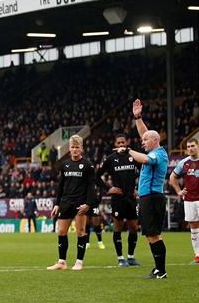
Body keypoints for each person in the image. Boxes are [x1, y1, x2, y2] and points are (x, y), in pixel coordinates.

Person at [114, 99, 168, 279]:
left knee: (154, 234)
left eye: (145, 140)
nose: (142, 141)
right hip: (147, 197)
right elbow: (146, 134)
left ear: (154, 141)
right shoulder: (154, 148)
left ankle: (161, 271)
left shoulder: (157, 154)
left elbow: (144, 159)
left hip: (152, 197)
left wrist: (127, 150)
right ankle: (158, 269)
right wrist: (137, 117)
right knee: (150, 234)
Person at [47, 135, 95, 271]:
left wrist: (88, 204)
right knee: (62, 231)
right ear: (69, 149)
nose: (74, 149)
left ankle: (79, 262)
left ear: (81, 149)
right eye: (72, 147)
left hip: (80, 203)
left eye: (77, 147)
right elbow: (60, 186)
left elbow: (92, 187)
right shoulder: (65, 165)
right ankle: (62, 262)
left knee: (80, 232)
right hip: (65, 202)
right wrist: (57, 204)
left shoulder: (87, 165)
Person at [96, 133, 141, 267]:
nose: (121, 145)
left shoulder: (134, 157)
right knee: (118, 227)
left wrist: (138, 188)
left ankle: (131, 257)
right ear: (115, 145)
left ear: (127, 142)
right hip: (118, 199)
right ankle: (121, 258)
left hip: (131, 198)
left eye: (123, 142)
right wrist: (108, 189)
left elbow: (144, 172)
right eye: (119, 143)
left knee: (133, 227)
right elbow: (97, 177)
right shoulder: (110, 159)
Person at [169, 137, 199, 264]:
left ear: (198, 146)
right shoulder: (184, 163)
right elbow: (172, 177)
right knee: (193, 226)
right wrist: (178, 191)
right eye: (188, 147)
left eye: (193, 146)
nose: (190, 149)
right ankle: (197, 255)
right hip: (189, 199)